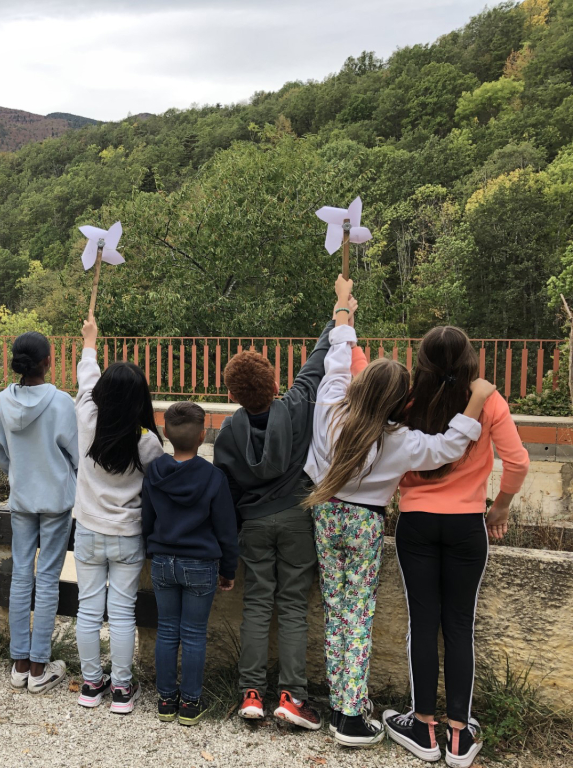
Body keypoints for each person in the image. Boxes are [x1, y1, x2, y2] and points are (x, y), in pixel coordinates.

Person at [304, 294, 495, 748]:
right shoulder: (401, 440)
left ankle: (340, 702)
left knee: (336, 610)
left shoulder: (330, 406)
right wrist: (478, 399)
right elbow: (450, 446)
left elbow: (335, 360)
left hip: (326, 514)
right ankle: (350, 715)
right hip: (366, 524)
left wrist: (343, 311)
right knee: (358, 613)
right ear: (400, 401)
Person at [383, 327, 529, 768]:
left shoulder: (408, 400)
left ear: (421, 360)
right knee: (459, 625)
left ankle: (423, 726)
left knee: (423, 623)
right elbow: (519, 461)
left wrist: (345, 315)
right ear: (469, 359)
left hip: (417, 524)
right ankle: (460, 735)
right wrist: (500, 507)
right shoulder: (488, 402)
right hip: (468, 526)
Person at [213, 276, 353, 730]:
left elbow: (228, 492)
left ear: (232, 394)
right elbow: (317, 364)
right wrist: (340, 310)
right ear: (273, 380)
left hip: (251, 526)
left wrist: (228, 549)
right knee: (292, 606)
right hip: (297, 517)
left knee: (258, 605)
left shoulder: (228, 432)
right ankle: (292, 697)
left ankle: (250, 693)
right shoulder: (295, 406)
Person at [72, 316, 164, 715]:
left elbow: (86, 380)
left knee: (88, 609)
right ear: (141, 399)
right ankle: (122, 691)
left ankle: (91, 684)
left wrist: (89, 342)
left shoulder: (87, 421)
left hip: (88, 531)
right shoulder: (147, 443)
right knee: (123, 611)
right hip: (128, 535)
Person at [0, 331, 79, 694]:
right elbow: (75, 452)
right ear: (47, 362)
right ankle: (40, 667)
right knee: (47, 578)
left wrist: (17, 473)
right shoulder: (61, 402)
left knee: (21, 574)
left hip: (22, 498)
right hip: (56, 500)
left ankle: (20, 662)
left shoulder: (1, 402)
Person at [141, 401, 238, 726]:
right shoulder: (213, 477)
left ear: (166, 433)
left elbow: (147, 518)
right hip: (200, 564)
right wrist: (228, 569)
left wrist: (150, 549)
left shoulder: (154, 471)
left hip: (163, 562)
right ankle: (190, 705)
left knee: (167, 630)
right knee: (194, 634)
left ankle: (166, 700)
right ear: (202, 437)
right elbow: (226, 529)